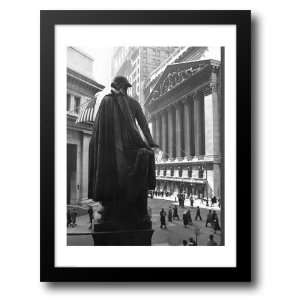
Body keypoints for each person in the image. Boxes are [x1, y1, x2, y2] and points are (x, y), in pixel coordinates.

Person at [88, 76, 159, 229]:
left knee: (145, 156)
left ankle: (135, 207)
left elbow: (142, 124)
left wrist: (150, 144)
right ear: (126, 87)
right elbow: (144, 127)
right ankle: (126, 206)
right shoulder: (112, 102)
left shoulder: (110, 102)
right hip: (120, 150)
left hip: (114, 151)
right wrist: (150, 143)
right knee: (146, 154)